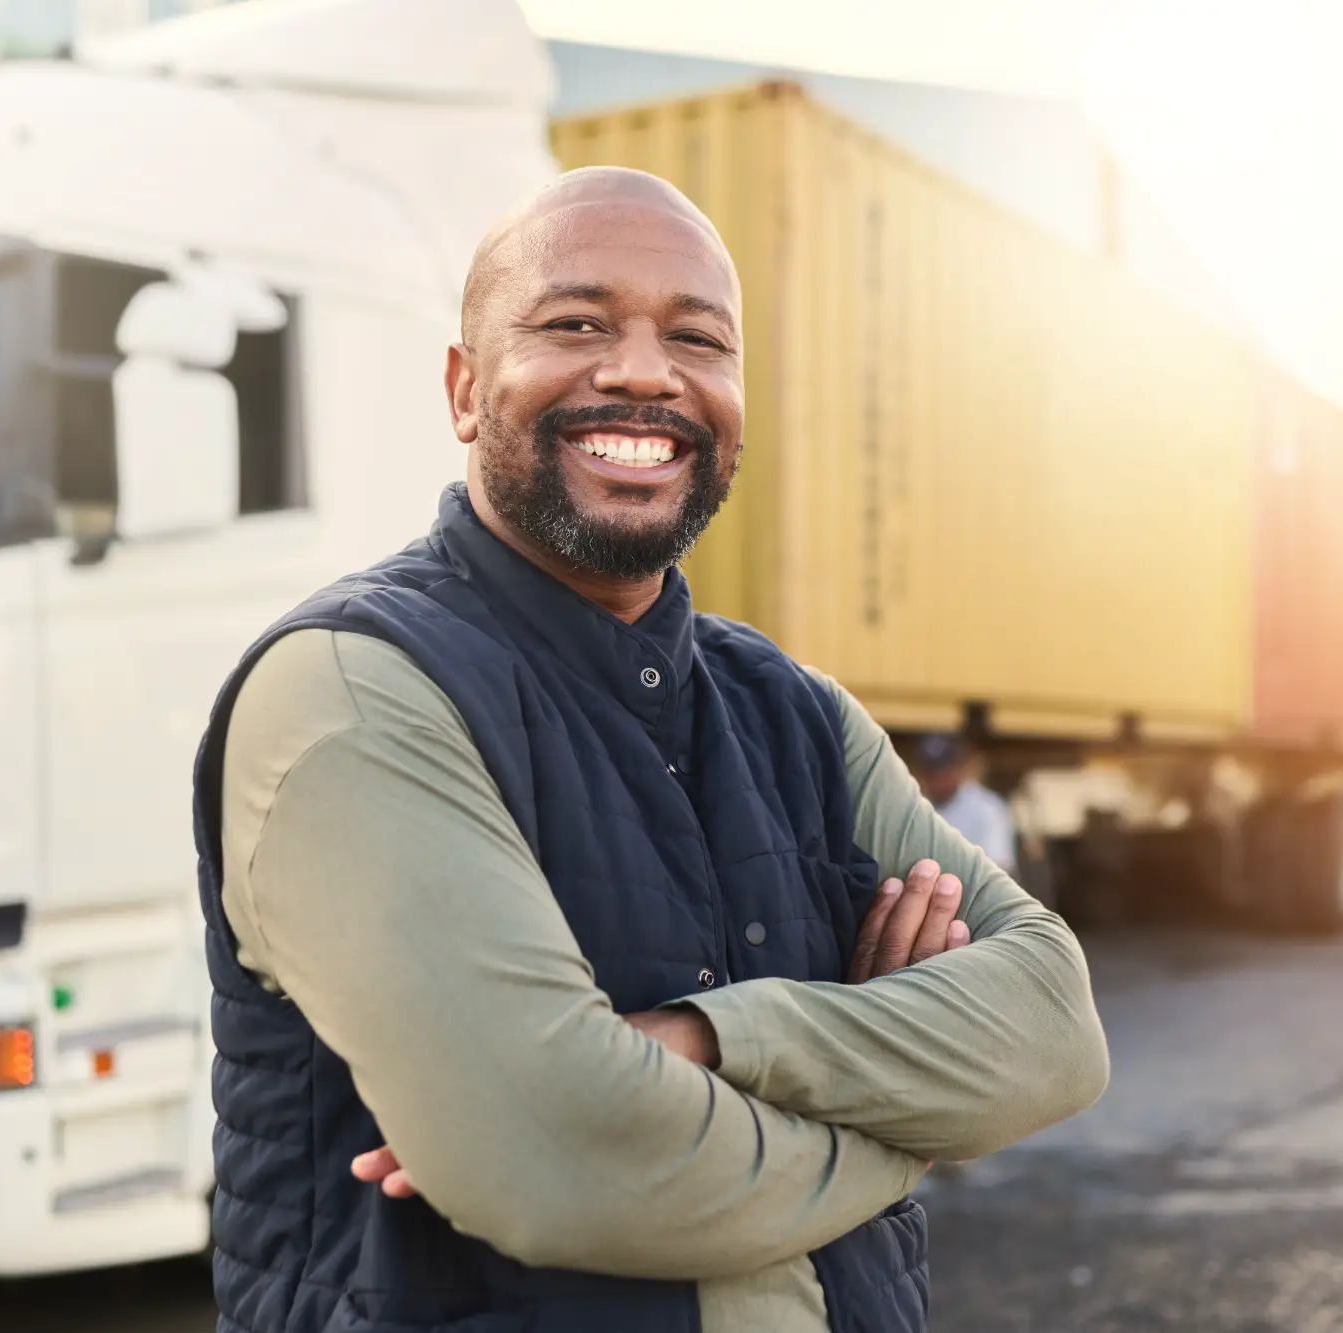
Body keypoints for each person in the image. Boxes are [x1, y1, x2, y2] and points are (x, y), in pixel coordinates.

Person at [189, 167, 1109, 1333]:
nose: (640, 369)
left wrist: (706, 1041)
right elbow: (555, 1154)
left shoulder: (796, 714)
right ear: (465, 390)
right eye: (574, 323)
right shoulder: (355, 688)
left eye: (697, 337)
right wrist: (910, 1120)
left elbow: (1054, 1028)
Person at [912, 733, 1019, 875]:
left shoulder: (987, 808)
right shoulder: (918, 808)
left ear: (959, 769)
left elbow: (999, 869)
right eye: (931, 773)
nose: (937, 779)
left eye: (944, 771)